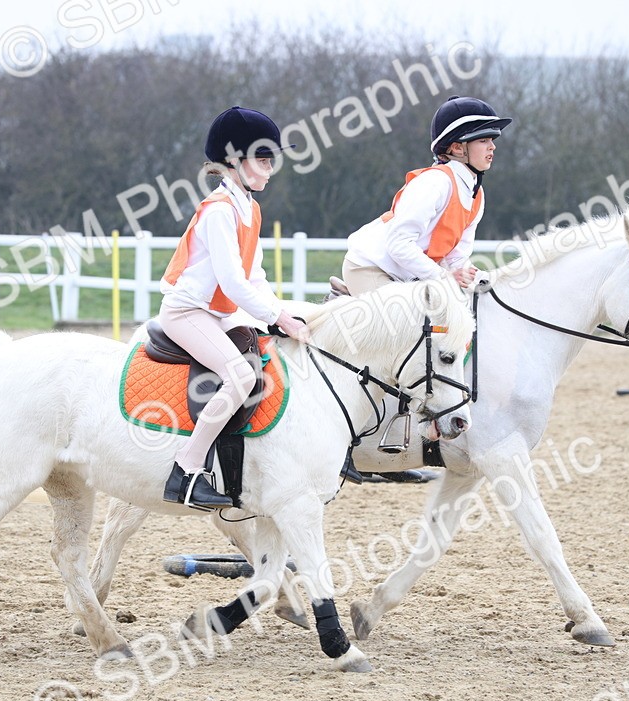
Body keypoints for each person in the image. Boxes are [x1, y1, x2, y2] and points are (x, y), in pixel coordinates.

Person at [158, 106, 309, 509]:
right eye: (263, 159)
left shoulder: (249, 208)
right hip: (187, 313)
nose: (270, 169)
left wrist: (282, 316)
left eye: (271, 160)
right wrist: (277, 316)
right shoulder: (220, 210)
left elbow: (255, 277)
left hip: (218, 314)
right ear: (234, 161)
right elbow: (233, 283)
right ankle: (186, 471)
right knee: (240, 376)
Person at [341, 96, 511, 296]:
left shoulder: (477, 194)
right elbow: (399, 244)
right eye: (483, 140)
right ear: (457, 148)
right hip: (370, 267)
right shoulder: (435, 183)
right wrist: (444, 277)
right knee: (406, 315)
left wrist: (481, 278)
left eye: (492, 140)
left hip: (407, 275)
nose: (492, 146)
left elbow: (455, 258)